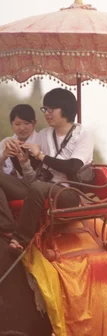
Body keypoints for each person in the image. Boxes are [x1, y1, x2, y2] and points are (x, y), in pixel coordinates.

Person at [8, 88, 94, 252]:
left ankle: (21, 240)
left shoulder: (83, 135)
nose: (46, 113)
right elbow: (32, 169)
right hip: (40, 187)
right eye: (44, 109)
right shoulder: (45, 134)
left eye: (50, 109)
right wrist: (17, 155)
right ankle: (7, 226)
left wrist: (40, 155)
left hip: (69, 193)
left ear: (65, 108)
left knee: (38, 187)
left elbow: (72, 166)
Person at [0, 105, 39, 238]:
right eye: (17, 124)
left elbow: (36, 182)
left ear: (34, 123)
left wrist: (25, 163)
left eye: (26, 123)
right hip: (10, 187)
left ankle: (8, 228)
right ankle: (8, 226)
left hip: (33, 189)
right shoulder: (7, 142)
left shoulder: (40, 143)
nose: (22, 128)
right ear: (11, 125)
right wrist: (4, 155)